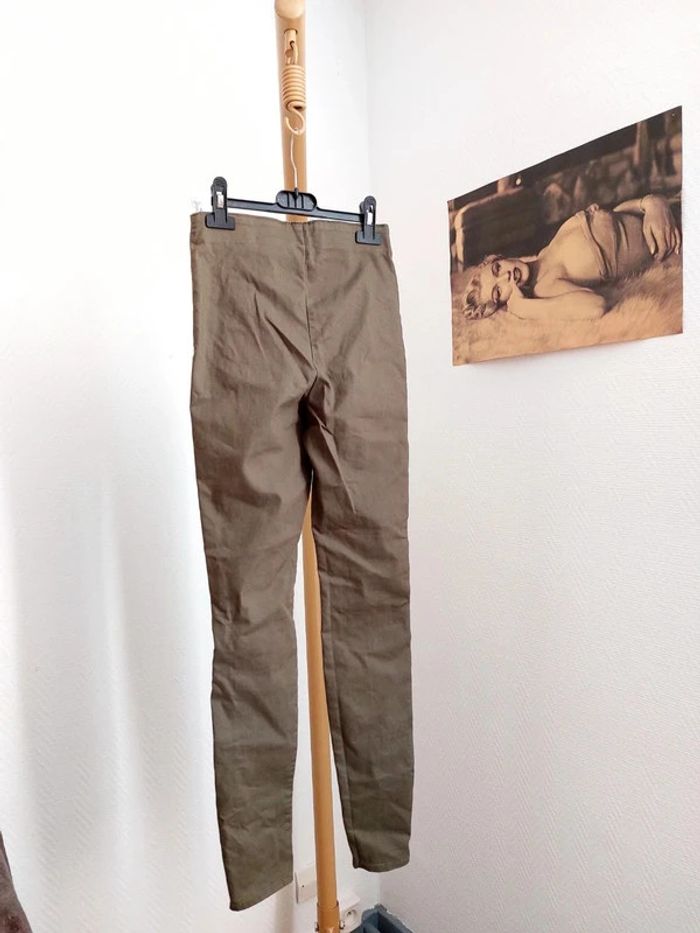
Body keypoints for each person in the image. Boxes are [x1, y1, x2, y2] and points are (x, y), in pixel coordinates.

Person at [462, 194, 681, 323]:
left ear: (502, 258)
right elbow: (595, 307)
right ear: (504, 301)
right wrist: (526, 308)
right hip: (677, 242)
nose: (506, 276)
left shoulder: (546, 251)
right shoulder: (545, 286)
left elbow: (612, 216)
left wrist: (649, 203)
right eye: (498, 291)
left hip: (662, 211)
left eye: (497, 268)